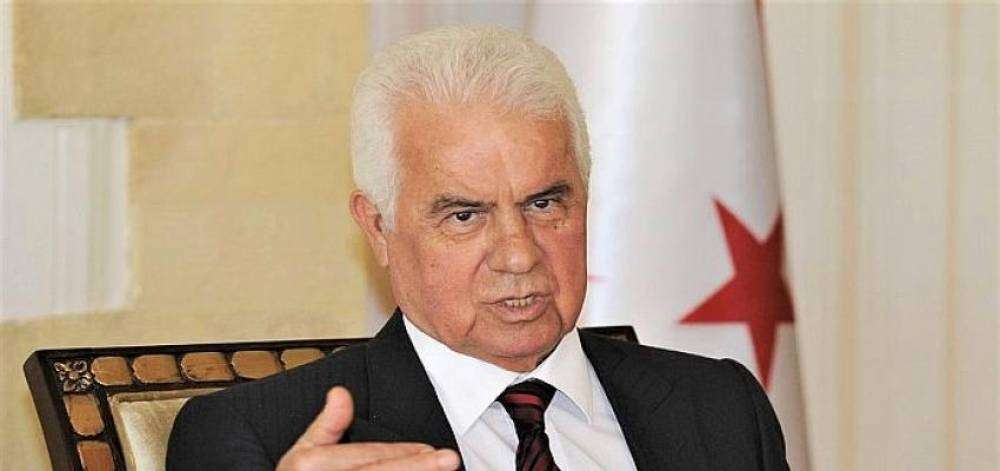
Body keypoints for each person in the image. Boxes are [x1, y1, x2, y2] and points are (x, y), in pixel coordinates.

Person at [167, 25, 789, 471]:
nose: (518, 256)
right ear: (378, 228)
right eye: (464, 215)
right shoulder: (258, 437)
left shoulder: (721, 408)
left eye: (544, 204)